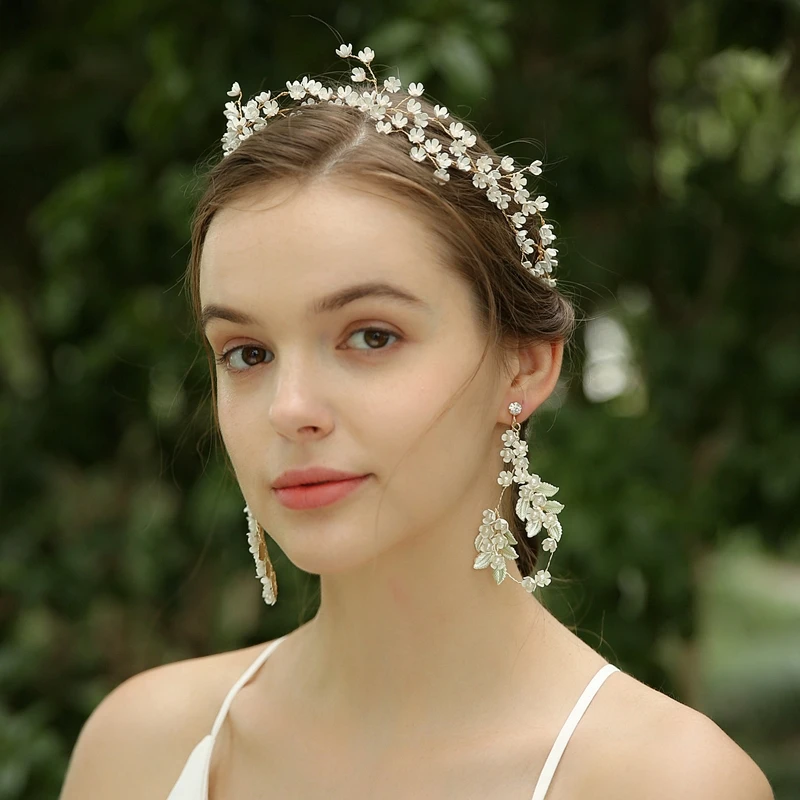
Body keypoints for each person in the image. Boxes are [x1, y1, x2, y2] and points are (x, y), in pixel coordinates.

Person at [59, 43, 773, 799]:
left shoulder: (662, 782)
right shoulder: (141, 749)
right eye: (246, 352)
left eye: (371, 336)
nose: (290, 408)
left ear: (525, 366)